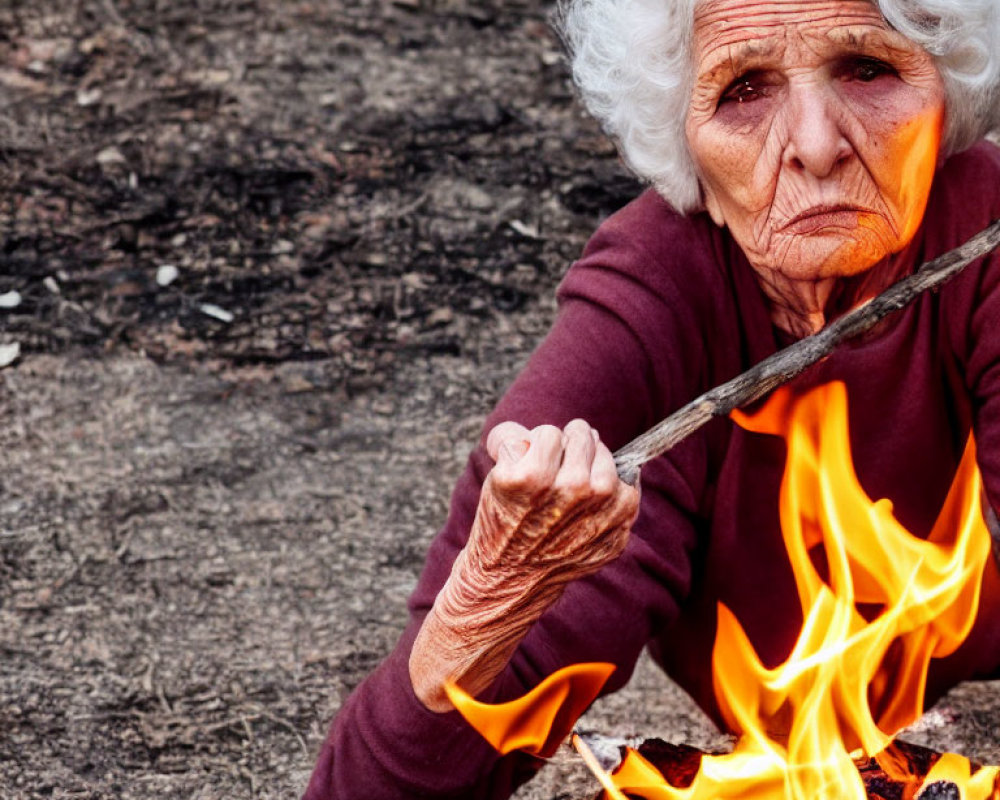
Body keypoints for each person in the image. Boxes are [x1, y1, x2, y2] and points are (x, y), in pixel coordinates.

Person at [304, 0, 1000, 797]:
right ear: (685, 140)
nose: (816, 145)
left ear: (946, 88)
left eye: (869, 69)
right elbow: (375, 782)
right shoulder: (649, 303)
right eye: (744, 89)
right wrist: (488, 604)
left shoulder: (987, 233)